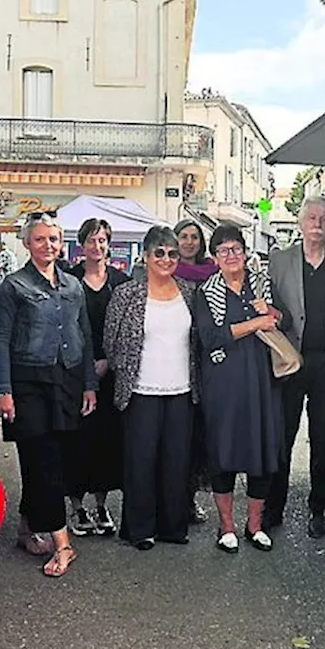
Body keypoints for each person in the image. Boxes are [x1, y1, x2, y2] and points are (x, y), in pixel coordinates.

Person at [0, 212, 97, 578]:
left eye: (53, 239)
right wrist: (3, 390)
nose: (48, 245)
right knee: (43, 458)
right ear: (26, 243)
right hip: (28, 383)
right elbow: (0, 339)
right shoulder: (13, 286)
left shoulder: (72, 285)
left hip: (65, 380)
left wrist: (89, 384)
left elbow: (83, 335)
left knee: (49, 460)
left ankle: (24, 528)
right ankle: (63, 544)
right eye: (40, 239)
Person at [104, 226, 200, 550]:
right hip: (140, 391)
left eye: (172, 253)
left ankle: (172, 526)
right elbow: (111, 342)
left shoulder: (188, 291)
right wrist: (125, 369)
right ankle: (140, 528)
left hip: (182, 391)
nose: (166, 258)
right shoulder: (127, 294)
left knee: (177, 462)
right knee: (140, 462)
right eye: (159, 252)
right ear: (145, 256)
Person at [268, 197, 325, 537]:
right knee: (282, 433)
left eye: (324, 218)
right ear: (300, 223)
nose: (318, 223)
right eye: (312, 217)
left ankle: (319, 507)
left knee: (324, 436)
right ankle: (274, 506)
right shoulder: (278, 262)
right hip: (290, 358)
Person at [195, 225, 283, 553]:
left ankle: (255, 526)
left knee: (261, 450)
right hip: (224, 382)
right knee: (224, 452)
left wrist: (271, 313)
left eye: (236, 249)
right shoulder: (206, 292)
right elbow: (210, 338)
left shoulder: (262, 284)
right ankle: (227, 526)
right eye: (223, 250)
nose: (231, 256)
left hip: (262, 380)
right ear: (215, 258)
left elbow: (281, 319)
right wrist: (255, 324)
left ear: (246, 253)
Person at [63, 218, 131, 537]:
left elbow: (131, 329)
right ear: (81, 244)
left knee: (107, 442)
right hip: (76, 373)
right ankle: (77, 508)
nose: (97, 246)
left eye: (102, 240)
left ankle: (102, 504)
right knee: (77, 440)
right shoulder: (68, 280)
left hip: (111, 374)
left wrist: (109, 361)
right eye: (91, 240)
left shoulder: (121, 281)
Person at [173, 218, 220, 524]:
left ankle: (189, 499)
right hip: (172, 358)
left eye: (194, 237)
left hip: (205, 359)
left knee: (198, 437)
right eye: (184, 237)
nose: (189, 242)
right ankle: (170, 499)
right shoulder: (163, 271)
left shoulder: (212, 273)